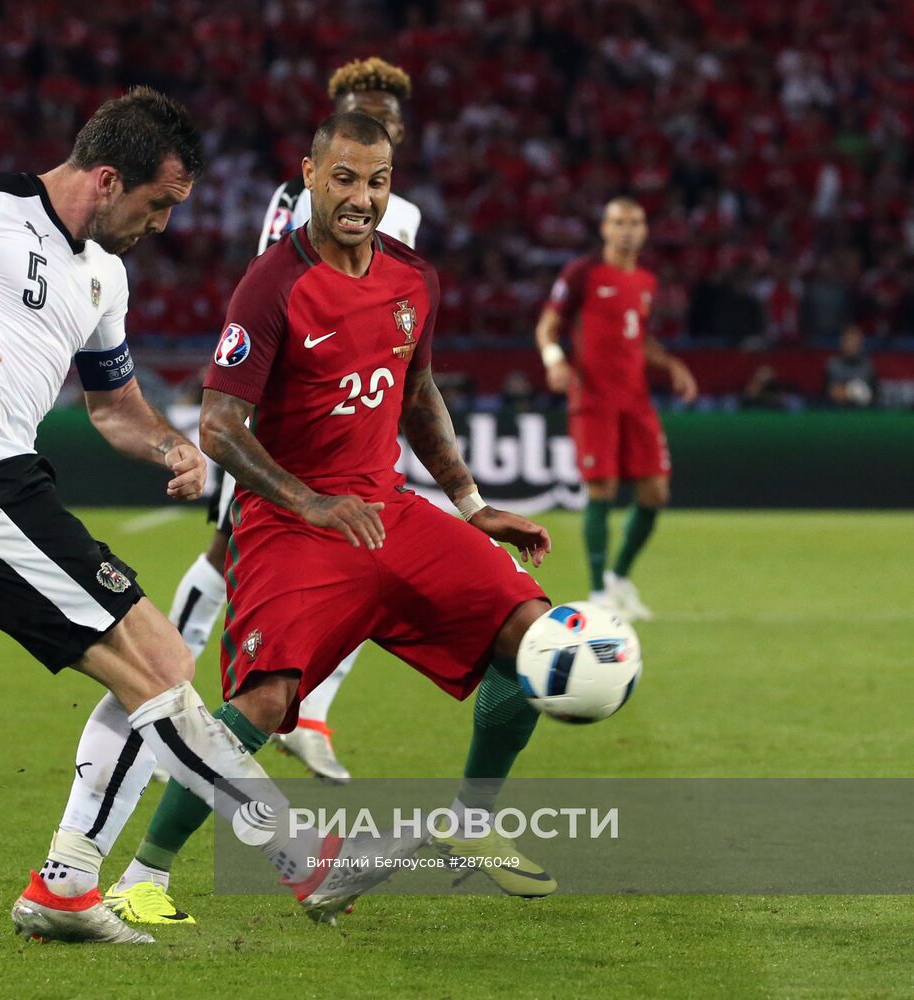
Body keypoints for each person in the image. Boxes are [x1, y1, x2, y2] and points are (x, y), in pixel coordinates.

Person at [0, 88, 399, 946]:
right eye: (157, 204)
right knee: (154, 676)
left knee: (163, 658)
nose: (161, 224)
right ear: (105, 178)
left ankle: (65, 886)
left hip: (8, 481)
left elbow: (113, 407)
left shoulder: (104, 273)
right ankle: (298, 856)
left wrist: (172, 448)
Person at [106, 112, 560, 927]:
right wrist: (309, 501)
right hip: (291, 522)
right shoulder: (272, 284)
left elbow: (418, 396)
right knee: (266, 701)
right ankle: (144, 876)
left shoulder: (412, 277)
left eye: (377, 181)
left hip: (389, 511)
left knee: (534, 634)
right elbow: (217, 427)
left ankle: (473, 821)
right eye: (344, 178)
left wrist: (469, 504)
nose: (360, 197)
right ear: (308, 176)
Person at [169, 57, 422, 786]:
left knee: (359, 558)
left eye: (386, 119)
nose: (374, 126)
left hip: (359, 403)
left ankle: (306, 717)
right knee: (232, 547)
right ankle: (173, 685)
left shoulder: (398, 208)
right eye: (359, 111)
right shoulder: (297, 194)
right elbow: (278, 280)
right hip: (287, 404)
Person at [536, 197, 698, 620]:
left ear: (644, 231)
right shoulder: (582, 273)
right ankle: (597, 592)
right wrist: (555, 361)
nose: (628, 229)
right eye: (619, 222)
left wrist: (673, 365)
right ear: (605, 228)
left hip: (636, 400)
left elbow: (639, 339)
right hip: (593, 399)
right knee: (602, 489)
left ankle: (619, 579)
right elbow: (547, 326)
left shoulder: (645, 280)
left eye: (636, 223)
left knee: (655, 490)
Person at [824, 324, 878, 407]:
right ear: (842, 343)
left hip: (862, 413)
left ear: (860, 344)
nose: (851, 345)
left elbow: (873, 395)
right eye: (849, 341)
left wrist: (848, 392)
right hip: (836, 413)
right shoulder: (833, 364)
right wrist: (854, 392)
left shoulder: (867, 365)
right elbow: (832, 392)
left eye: (855, 341)